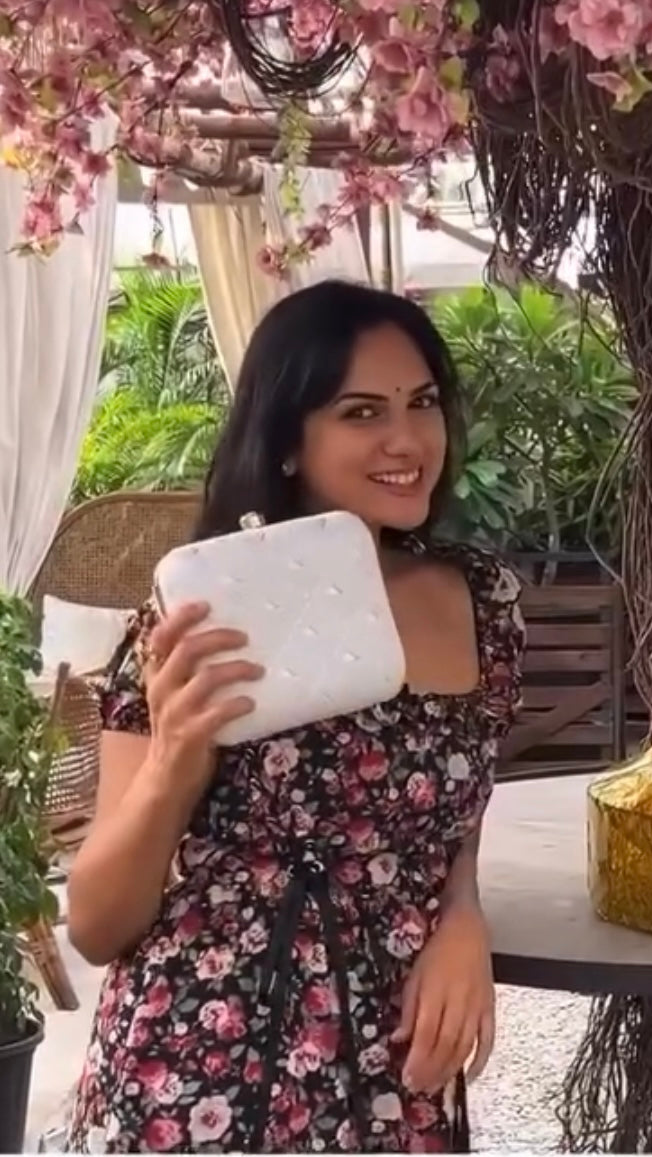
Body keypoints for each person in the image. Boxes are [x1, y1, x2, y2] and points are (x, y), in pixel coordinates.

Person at [63, 280, 526, 1154]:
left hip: (393, 1065)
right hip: (199, 1063)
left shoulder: (482, 600)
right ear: (285, 441)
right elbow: (95, 924)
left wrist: (463, 916)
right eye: (361, 412)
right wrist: (173, 763)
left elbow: (459, 813)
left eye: (422, 402)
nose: (406, 439)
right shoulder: (196, 621)